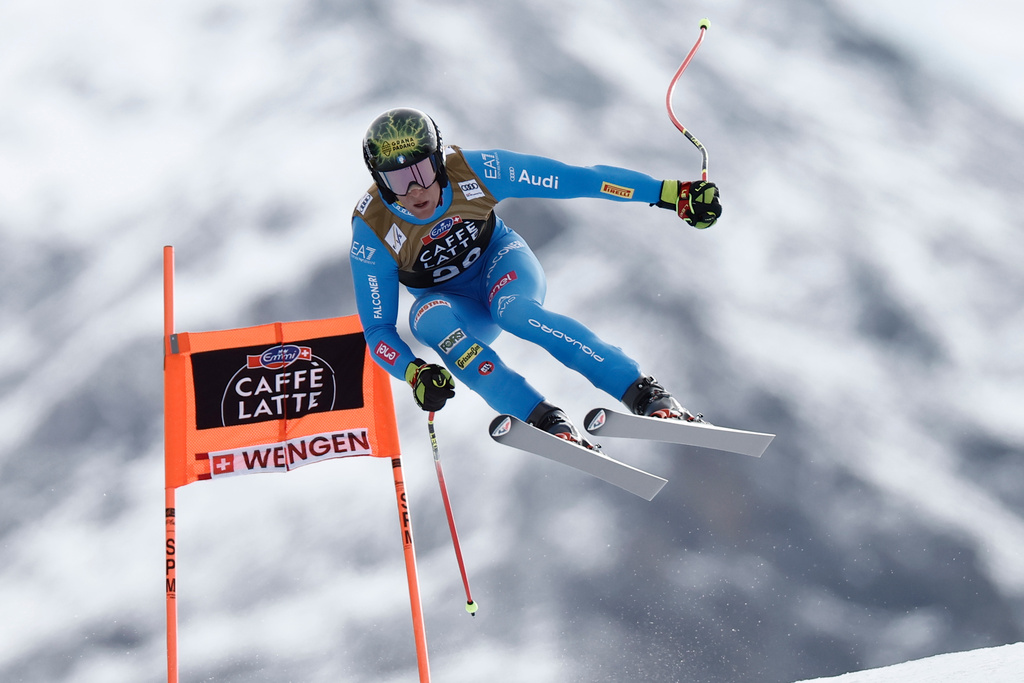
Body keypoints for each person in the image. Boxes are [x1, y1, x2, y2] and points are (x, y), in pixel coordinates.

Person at [350, 107, 721, 450]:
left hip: (503, 267)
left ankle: (643, 392)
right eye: (398, 179)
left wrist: (670, 194)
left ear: (439, 160)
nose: (415, 190)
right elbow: (378, 331)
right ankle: (545, 420)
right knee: (426, 319)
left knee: (514, 312)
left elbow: (579, 180)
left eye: (423, 171)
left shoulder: (475, 171)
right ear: (379, 182)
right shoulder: (373, 229)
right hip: (456, 308)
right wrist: (414, 373)